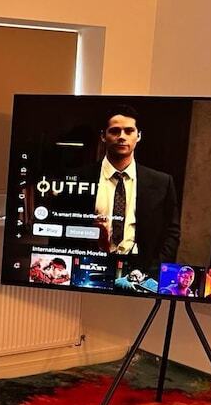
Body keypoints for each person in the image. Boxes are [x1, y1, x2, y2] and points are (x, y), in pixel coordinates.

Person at [49, 105, 181, 277]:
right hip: (87, 265)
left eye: (129, 131)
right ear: (103, 136)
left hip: (141, 270)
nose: (122, 137)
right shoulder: (78, 178)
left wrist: (155, 270)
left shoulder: (162, 182)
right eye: (115, 131)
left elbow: (172, 232)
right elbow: (61, 226)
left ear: (139, 136)